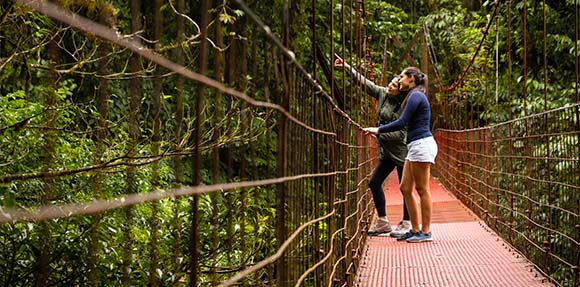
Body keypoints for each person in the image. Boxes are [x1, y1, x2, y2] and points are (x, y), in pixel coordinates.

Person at [334, 55, 411, 237]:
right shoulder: (382, 93)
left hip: (400, 151)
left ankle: (408, 223)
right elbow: (365, 83)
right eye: (391, 83)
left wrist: (378, 131)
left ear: (399, 91)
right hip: (386, 152)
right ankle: (383, 222)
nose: (390, 86)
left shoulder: (403, 105)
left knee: (404, 187)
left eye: (394, 85)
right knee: (374, 182)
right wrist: (346, 67)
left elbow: (401, 134)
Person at [362, 66, 438, 243]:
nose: (399, 78)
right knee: (405, 187)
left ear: (411, 78)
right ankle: (414, 228)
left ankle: (425, 232)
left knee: (422, 189)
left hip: (421, 144)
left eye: (402, 76)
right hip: (414, 146)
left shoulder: (416, 95)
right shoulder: (413, 95)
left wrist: (378, 130)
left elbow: (402, 122)